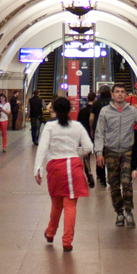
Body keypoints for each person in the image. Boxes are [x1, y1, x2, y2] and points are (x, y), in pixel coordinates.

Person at [34, 96, 93, 252]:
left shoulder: (49, 126)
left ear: (53, 109)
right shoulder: (77, 126)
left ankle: (50, 232)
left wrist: (38, 168)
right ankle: (67, 241)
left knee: (56, 204)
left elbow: (42, 148)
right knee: (70, 205)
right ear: (70, 109)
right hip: (74, 167)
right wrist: (75, 153)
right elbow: (88, 147)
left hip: (55, 168)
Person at [92, 83, 137, 227]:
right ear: (112, 95)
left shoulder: (132, 111)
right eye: (117, 92)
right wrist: (99, 152)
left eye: (122, 92)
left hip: (127, 151)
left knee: (126, 182)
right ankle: (119, 212)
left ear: (126, 95)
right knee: (113, 184)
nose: (120, 94)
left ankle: (129, 211)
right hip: (111, 152)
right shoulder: (105, 112)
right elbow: (99, 133)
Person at [91, 86, 111, 187]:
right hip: (110, 131)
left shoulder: (96, 103)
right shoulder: (112, 103)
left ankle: (101, 177)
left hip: (99, 130)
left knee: (100, 153)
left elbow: (91, 118)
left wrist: (92, 129)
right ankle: (111, 176)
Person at [77, 91, 97, 187]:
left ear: (87, 99)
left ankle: (89, 173)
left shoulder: (82, 111)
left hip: (85, 136)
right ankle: (100, 175)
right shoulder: (97, 111)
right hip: (95, 135)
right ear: (95, 99)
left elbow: (79, 125)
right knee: (98, 154)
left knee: (86, 157)